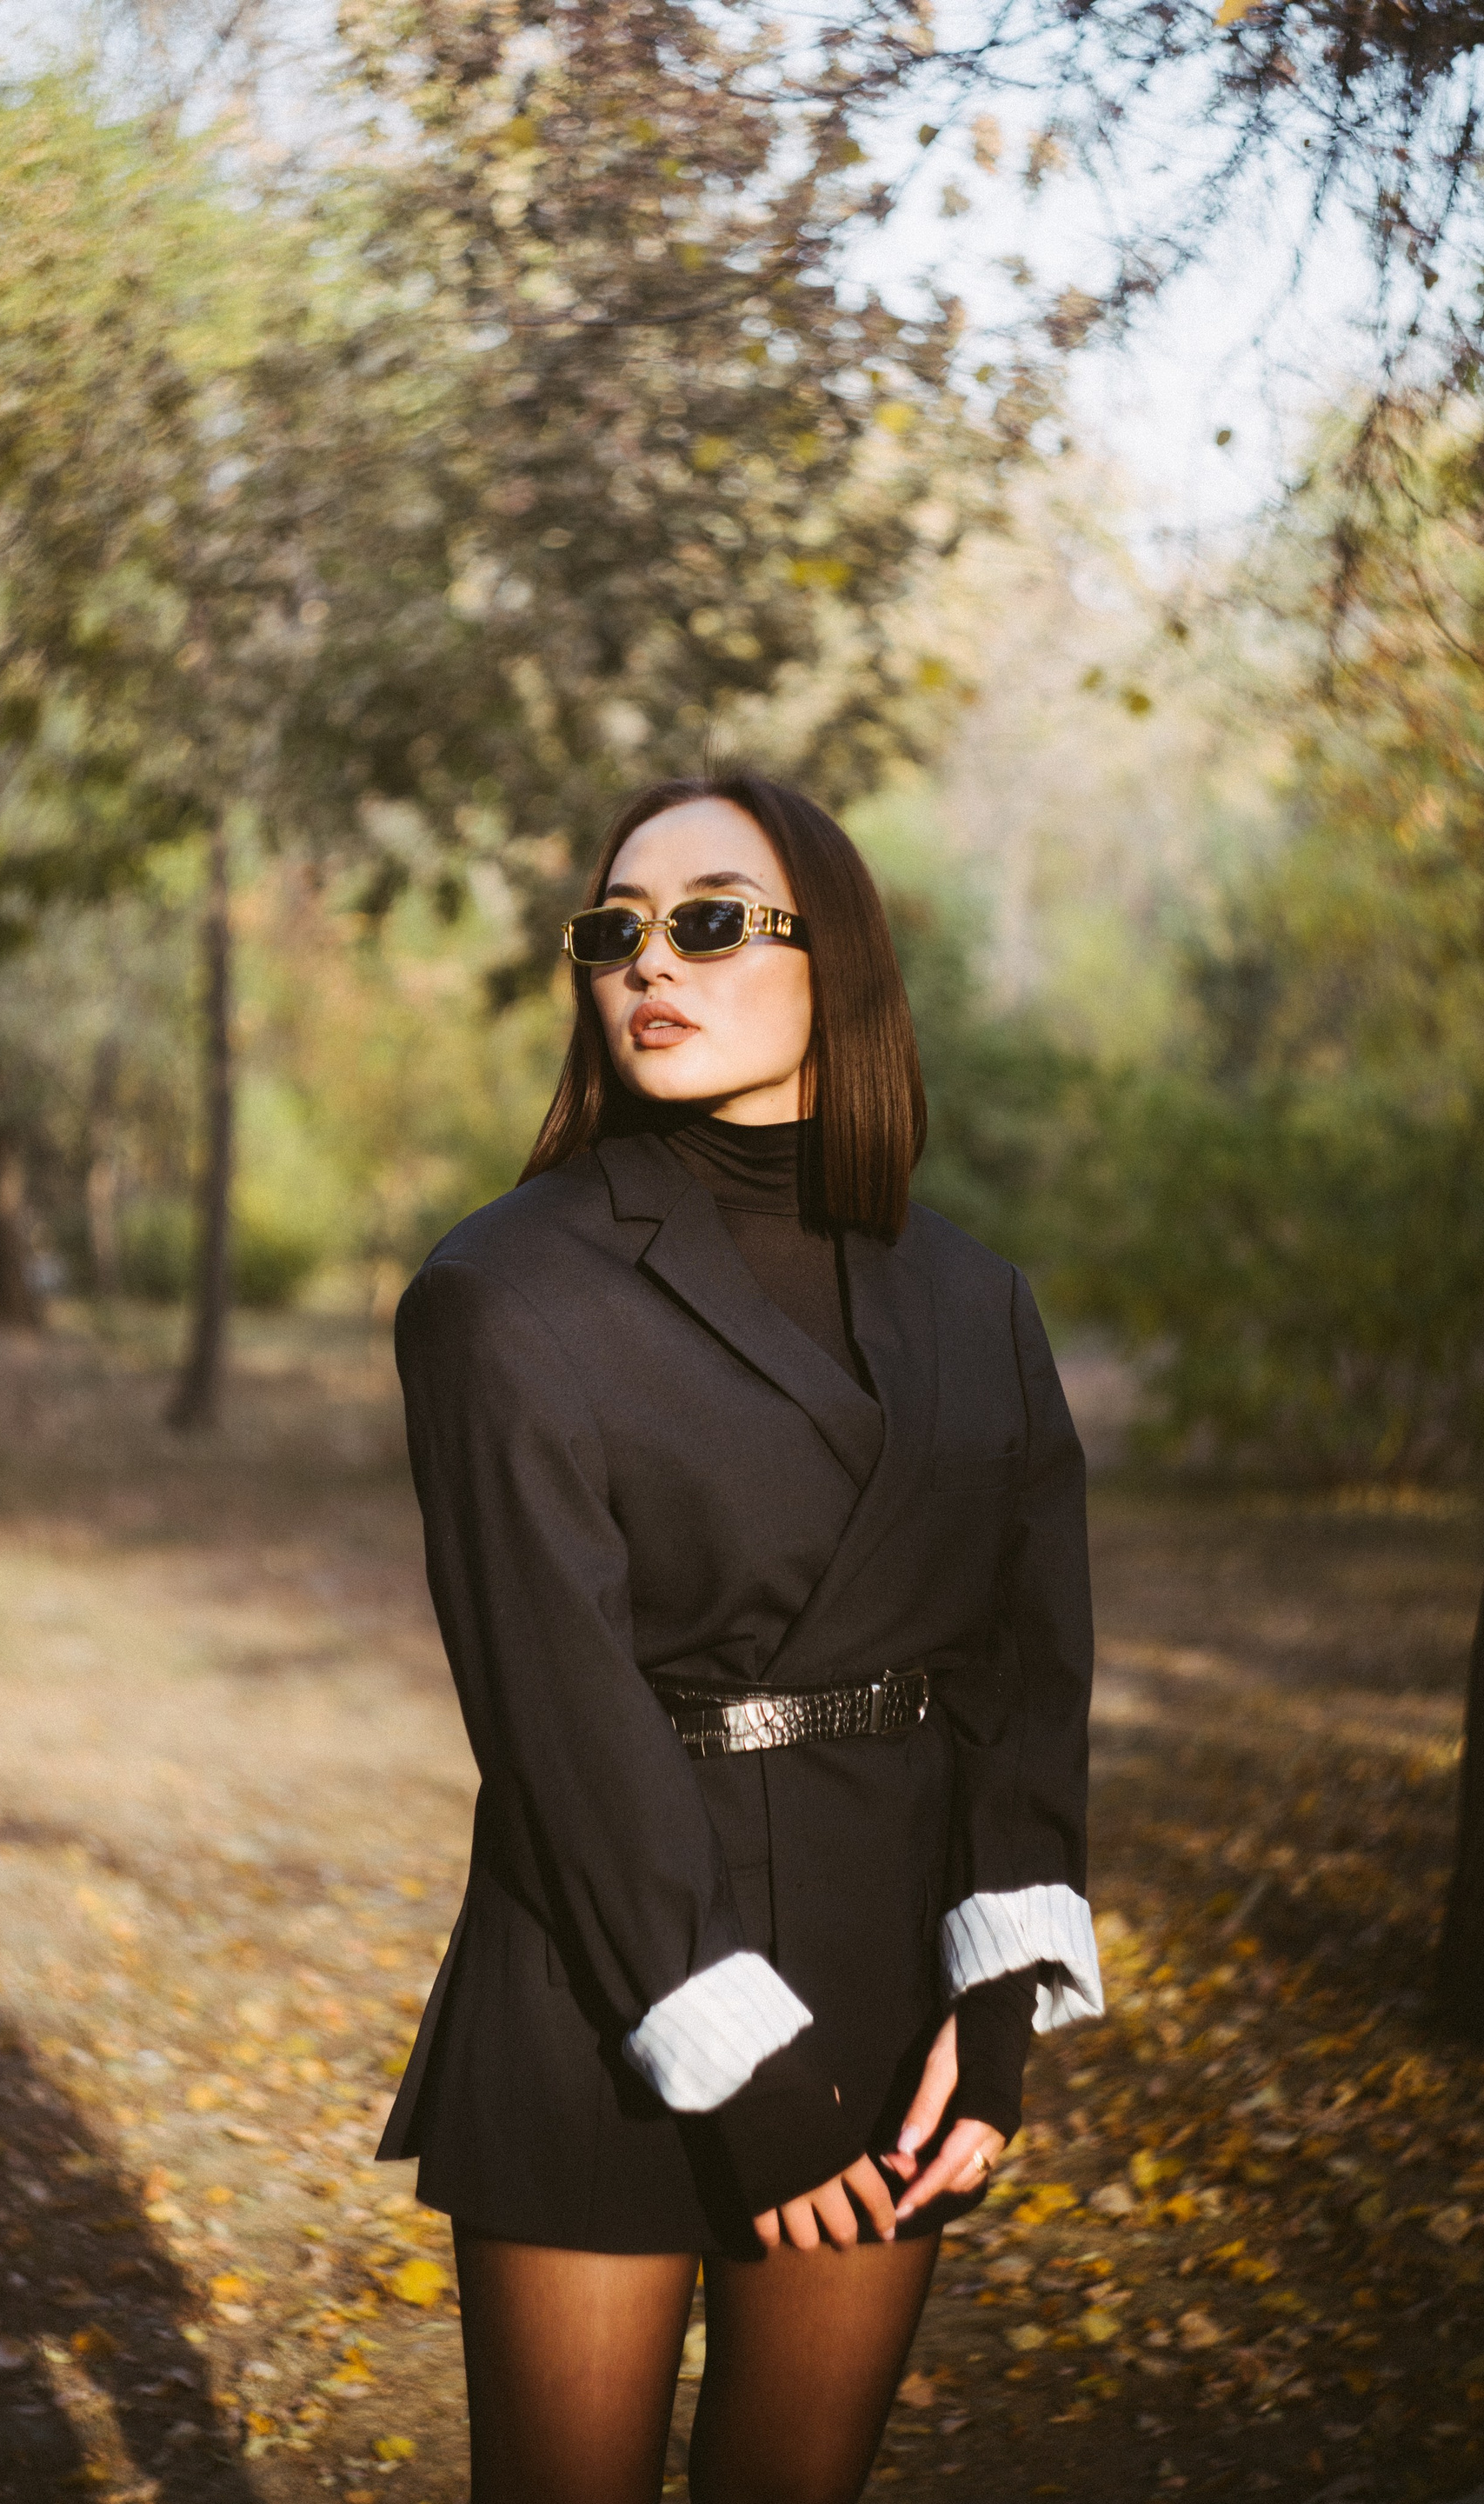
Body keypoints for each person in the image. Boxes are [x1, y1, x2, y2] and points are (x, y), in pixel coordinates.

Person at [375, 771, 1102, 2504]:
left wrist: (998, 2000)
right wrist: (740, 2069)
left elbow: (1022, 1670)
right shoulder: (503, 1293)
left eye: (707, 922)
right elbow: (554, 1713)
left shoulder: (975, 1300)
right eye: (614, 931)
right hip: (607, 1981)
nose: (649, 963)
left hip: (882, 1988)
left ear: (830, 959)